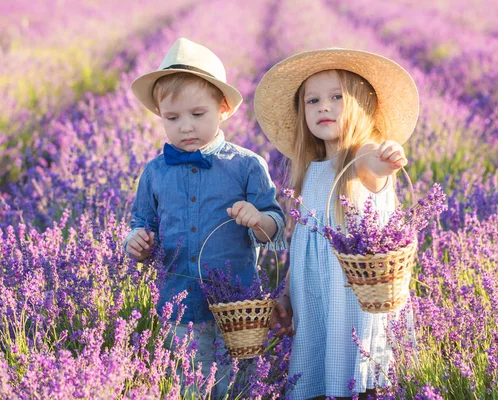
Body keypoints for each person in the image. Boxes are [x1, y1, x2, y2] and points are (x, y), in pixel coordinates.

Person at [254, 48, 419, 399]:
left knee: (359, 379)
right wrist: (285, 296)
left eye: (336, 97)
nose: (323, 107)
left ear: (362, 106)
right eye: (312, 100)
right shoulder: (310, 171)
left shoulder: (359, 156)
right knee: (319, 379)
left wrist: (386, 159)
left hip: (354, 302)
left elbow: (375, 171)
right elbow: (302, 250)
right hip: (315, 302)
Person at [125, 37, 287, 395]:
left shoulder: (246, 165)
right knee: (190, 385)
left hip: (237, 308)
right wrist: (136, 242)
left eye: (197, 114)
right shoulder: (154, 172)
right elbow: (142, 223)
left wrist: (257, 217)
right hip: (180, 302)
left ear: (224, 108)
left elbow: (276, 229)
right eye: (173, 117)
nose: (185, 127)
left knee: (239, 384)